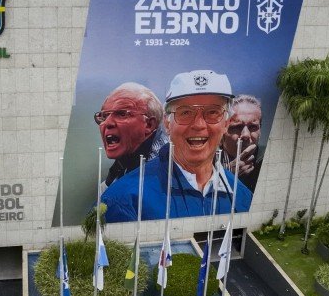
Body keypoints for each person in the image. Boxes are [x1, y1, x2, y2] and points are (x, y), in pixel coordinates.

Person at [102, 70, 252, 222]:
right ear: (167, 123)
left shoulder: (242, 195)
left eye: (213, 112)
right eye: (185, 112)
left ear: (226, 123)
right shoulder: (123, 200)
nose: (198, 125)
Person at [95, 83, 167, 189]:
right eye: (104, 116)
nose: (107, 123)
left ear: (149, 124)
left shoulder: (169, 174)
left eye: (122, 114)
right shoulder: (119, 170)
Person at [221, 95, 263, 192]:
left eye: (253, 127)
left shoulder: (269, 159)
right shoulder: (205, 163)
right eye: (237, 127)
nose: (245, 135)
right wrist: (226, 175)